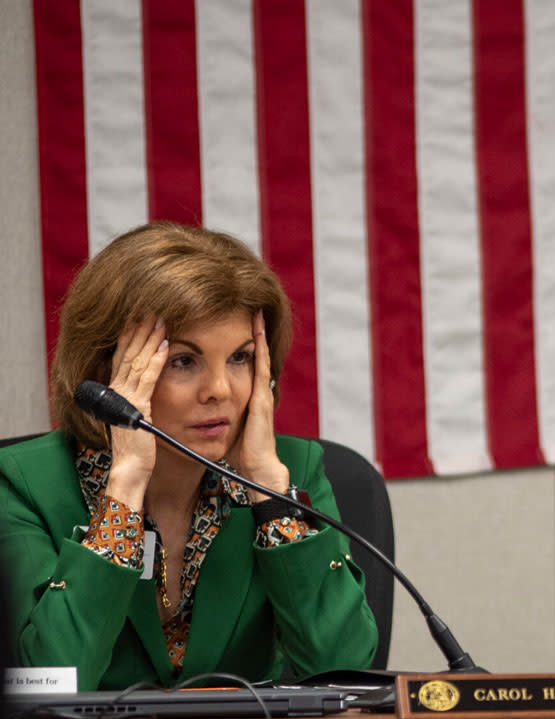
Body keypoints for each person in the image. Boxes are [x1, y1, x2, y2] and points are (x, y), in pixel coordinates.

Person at [0, 222, 378, 691]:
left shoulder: (289, 472)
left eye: (240, 358)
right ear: (106, 373)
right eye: (183, 361)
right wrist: (125, 489)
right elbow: (52, 679)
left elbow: (344, 670)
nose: (220, 391)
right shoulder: (24, 483)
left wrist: (270, 493)